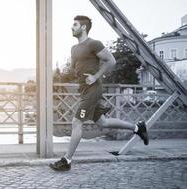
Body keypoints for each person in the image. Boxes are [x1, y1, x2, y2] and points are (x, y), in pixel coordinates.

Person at [50, 15, 149, 171]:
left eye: (75, 24)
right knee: (103, 122)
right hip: (84, 91)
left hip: (93, 89)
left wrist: (96, 76)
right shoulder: (74, 48)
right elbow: (77, 69)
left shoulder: (94, 44)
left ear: (83, 27)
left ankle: (67, 161)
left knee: (76, 123)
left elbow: (111, 61)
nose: (71, 27)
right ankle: (138, 127)